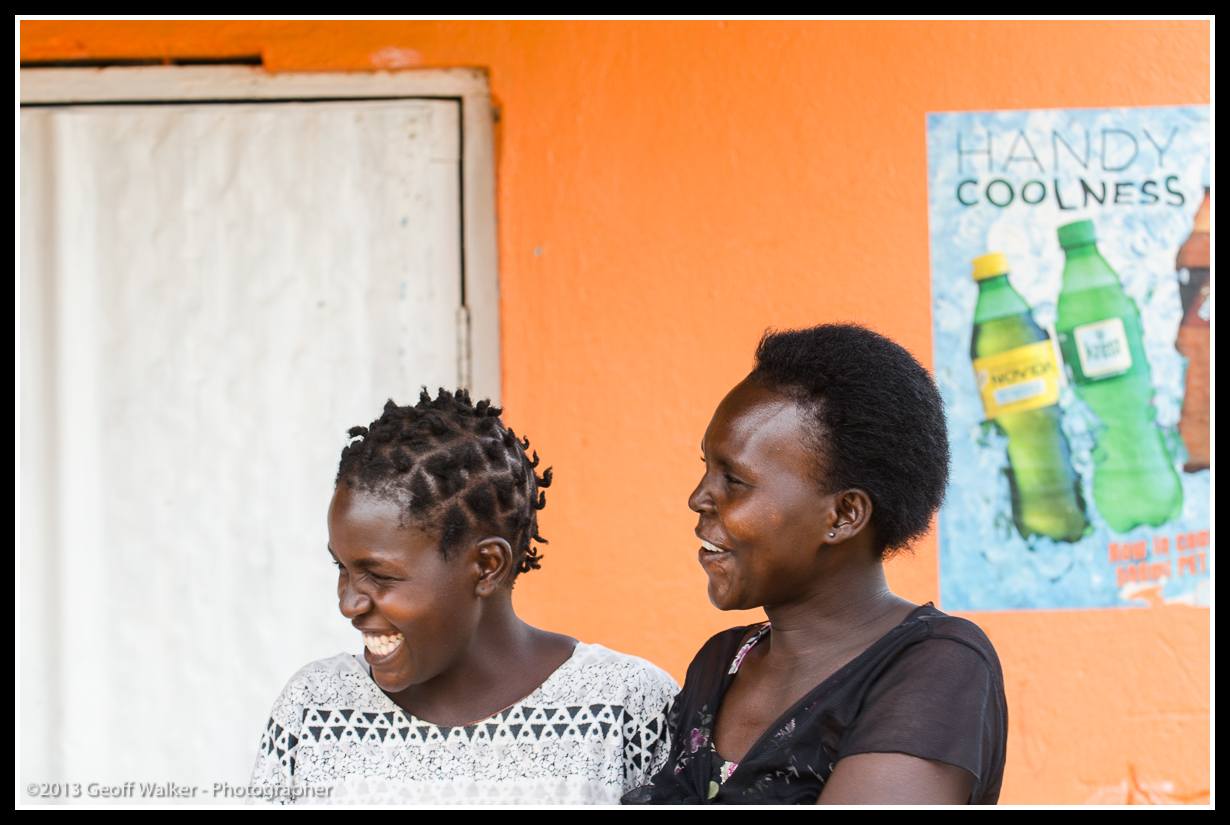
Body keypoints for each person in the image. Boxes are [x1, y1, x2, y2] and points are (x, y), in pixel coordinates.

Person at [622, 324, 1007, 805]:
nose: (698, 498)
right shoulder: (721, 663)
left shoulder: (938, 665)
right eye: (706, 469)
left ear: (844, 515)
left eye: (734, 480)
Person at [250, 389, 678, 805]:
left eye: (379, 575)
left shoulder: (625, 707)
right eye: (341, 568)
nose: (349, 604)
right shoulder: (313, 709)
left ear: (487, 565)